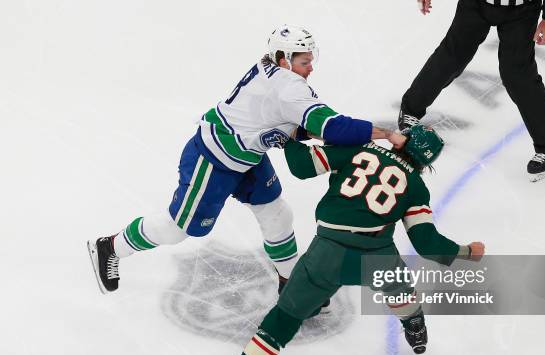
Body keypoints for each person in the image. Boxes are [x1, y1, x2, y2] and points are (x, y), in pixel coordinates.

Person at [86, 25, 406, 295]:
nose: (311, 67)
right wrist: (387, 135)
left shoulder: (275, 73)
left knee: (277, 213)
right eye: (305, 61)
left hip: (246, 154)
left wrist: (306, 133)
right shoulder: (287, 87)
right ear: (284, 59)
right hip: (213, 159)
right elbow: (332, 127)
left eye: (312, 59)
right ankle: (110, 247)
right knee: (177, 230)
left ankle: (289, 282)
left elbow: (298, 124)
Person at [196, 125, 486, 355]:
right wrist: (465, 252)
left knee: (284, 317)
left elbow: (302, 166)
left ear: (402, 141)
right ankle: (415, 327)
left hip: (327, 254)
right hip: (376, 256)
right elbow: (427, 244)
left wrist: (289, 140)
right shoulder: (416, 187)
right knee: (399, 288)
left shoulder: (362, 149)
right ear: (426, 162)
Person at [399, 0, 545, 182]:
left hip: (522, 10)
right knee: (451, 56)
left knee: (517, 74)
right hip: (476, 4)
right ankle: (410, 110)